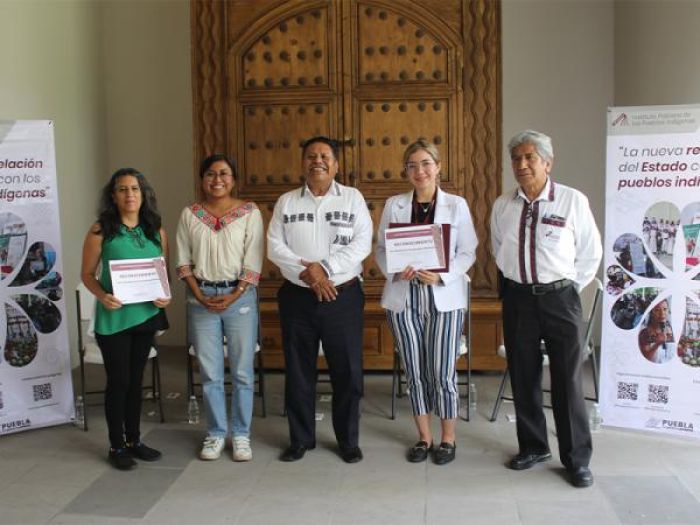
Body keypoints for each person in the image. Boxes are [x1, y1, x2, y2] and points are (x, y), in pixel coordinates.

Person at [490, 130, 602, 488]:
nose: (522, 165)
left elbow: (591, 253)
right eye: (517, 159)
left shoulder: (572, 201)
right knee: (523, 375)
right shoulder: (503, 205)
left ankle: (576, 459)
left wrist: (566, 288)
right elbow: (498, 248)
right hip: (519, 299)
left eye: (530, 158)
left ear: (547, 163)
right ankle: (534, 447)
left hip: (560, 300)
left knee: (568, 380)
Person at [267, 136, 372, 463]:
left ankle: (348, 441)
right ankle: (300, 439)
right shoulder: (286, 202)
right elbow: (274, 246)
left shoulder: (353, 198)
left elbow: (361, 244)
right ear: (302, 163)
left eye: (325, 156)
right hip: (297, 297)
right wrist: (309, 276)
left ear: (336, 165)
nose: (318, 161)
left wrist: (323, 270)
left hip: (342, 296)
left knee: (348, 372)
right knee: (299, 371)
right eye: (311, 155)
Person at [375, 139, 477, 465]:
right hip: (404, 297)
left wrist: (444, 275)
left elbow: (467, 251)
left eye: (425, 164)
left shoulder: (456, 205)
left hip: (443, 297)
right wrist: (394, 269)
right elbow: (381, 249)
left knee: (442, 371)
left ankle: (447, 438)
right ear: (405, 171)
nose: (420, 171)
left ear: (438, 166)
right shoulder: (395, 205)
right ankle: (424, 437)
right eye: (412, 165)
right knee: (414, 371)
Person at [81, 168, 170, 471]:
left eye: (134, 188)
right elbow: (86, 274)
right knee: (119, 382)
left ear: (143, 194)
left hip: (145, 315)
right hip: (114, 317)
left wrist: (165, 296)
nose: (129, 194)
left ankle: (134, 440)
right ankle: (116, 444)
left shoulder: (156, 230)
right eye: (122, 189)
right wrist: (102, 294)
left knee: (136, 382)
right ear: (113, 195)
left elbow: (161, 273)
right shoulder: (100, 230)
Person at [176, 154, 263, 462]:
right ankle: (215, 433)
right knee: (211, 373)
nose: (217, 179)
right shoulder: (190, 214)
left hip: (239, 298)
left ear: (233, 178)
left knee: (241, 372)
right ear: (202, 179)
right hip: (200, 299)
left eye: (224, 173)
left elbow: (253, 261)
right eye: (210, 174)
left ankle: (240, 434)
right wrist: (199, 296)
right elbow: (183, 261)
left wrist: (234, 294)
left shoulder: (249, 212)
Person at [638, 299, 674, 364]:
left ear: (668, 311)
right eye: (657, 310)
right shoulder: (645, 333)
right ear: (652, 312)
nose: (662, 314)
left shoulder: (671, 329)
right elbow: (645, 358)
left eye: (665, 309)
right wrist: (657, 344)